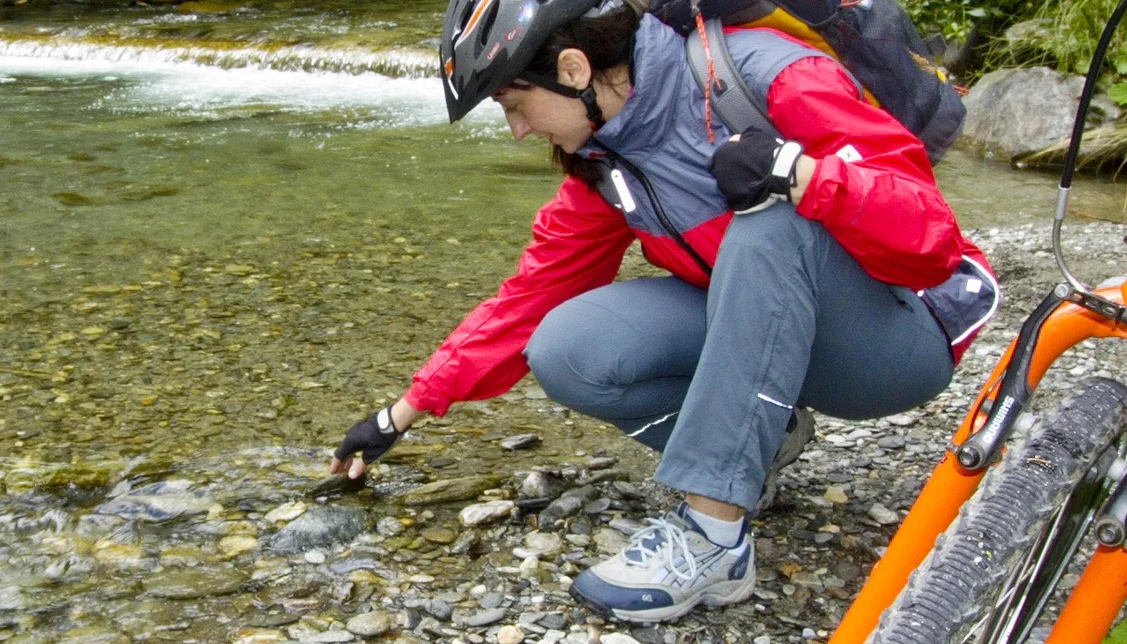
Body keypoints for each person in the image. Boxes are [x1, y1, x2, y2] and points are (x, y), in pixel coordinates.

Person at [329, 0, 999, 625]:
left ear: (572, 69)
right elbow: (526, 301)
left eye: (514, 104)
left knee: (769, 225)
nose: (517, 130)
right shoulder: (606, 163)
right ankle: (758, 453)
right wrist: (401, 413)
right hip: (778, 340)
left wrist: (800, 177)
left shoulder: (771, 75)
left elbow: (930, 238)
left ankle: (713, 541)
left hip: (896, 340)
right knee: (568, 346)